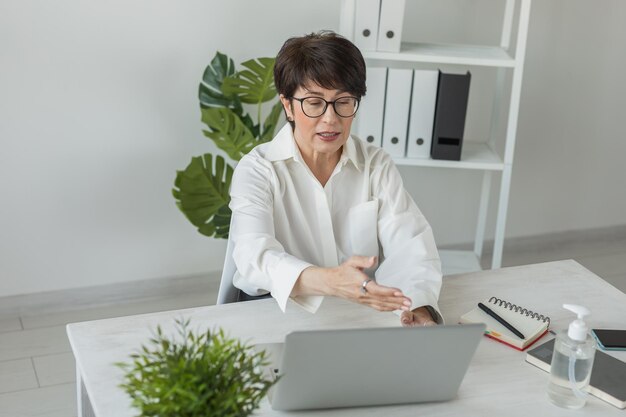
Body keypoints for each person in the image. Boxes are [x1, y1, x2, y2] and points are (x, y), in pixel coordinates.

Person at [228, 31, 442, 326]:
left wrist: (415, 308)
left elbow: (411, 247)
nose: (331, 119)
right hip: (275, 310)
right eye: (314, 103)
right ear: (288, 105)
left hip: (353, 311)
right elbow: (255, 255)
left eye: (344, 102)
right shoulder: (258, 169)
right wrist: (329, 281)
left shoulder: (375, 164)